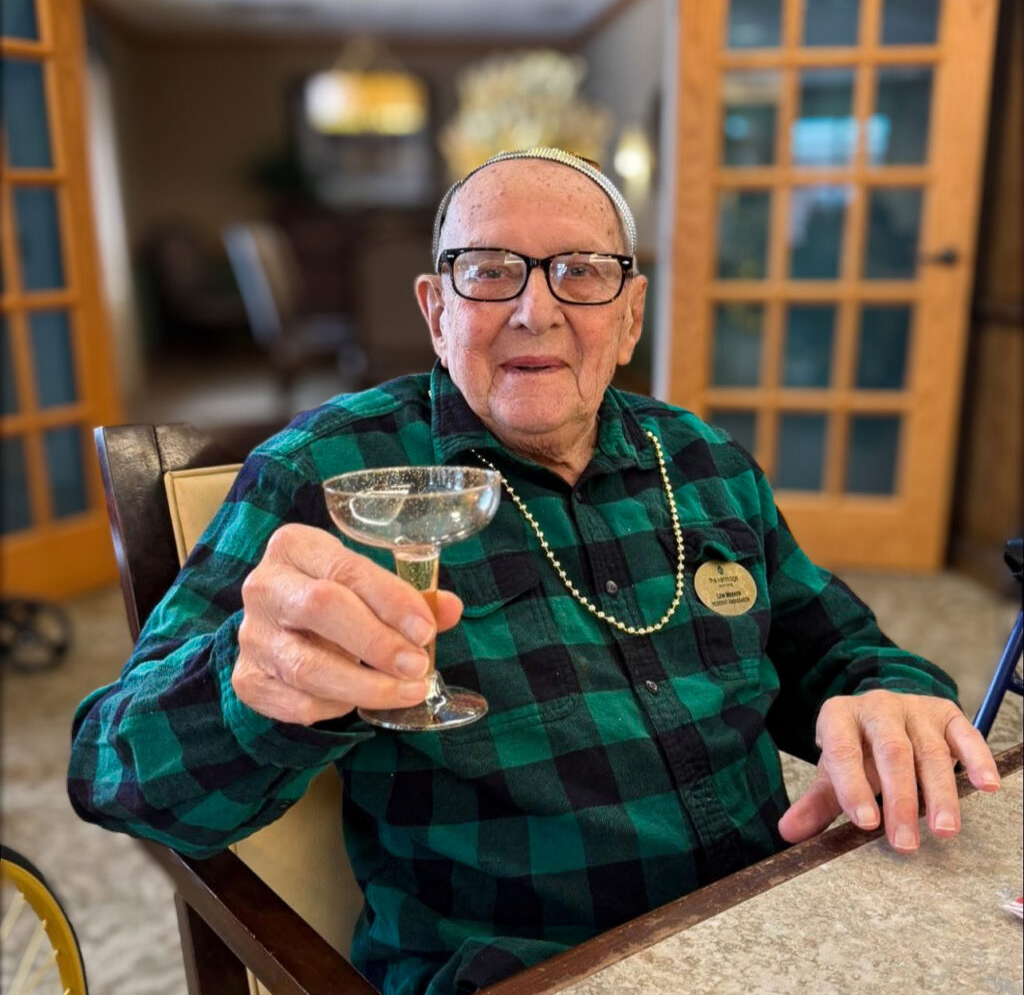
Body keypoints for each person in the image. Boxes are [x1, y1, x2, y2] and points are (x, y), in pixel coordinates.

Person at [69, 148, 999, 995]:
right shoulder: (328, 471)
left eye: (583, 271)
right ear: (437, 310)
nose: (535, 307)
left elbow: (842, 651)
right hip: (526, 968)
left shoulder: (704, 461)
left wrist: (890, 695)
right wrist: (251, 683)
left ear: (630, 314)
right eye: (489, 270)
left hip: (765, 931)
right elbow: (112, 771)